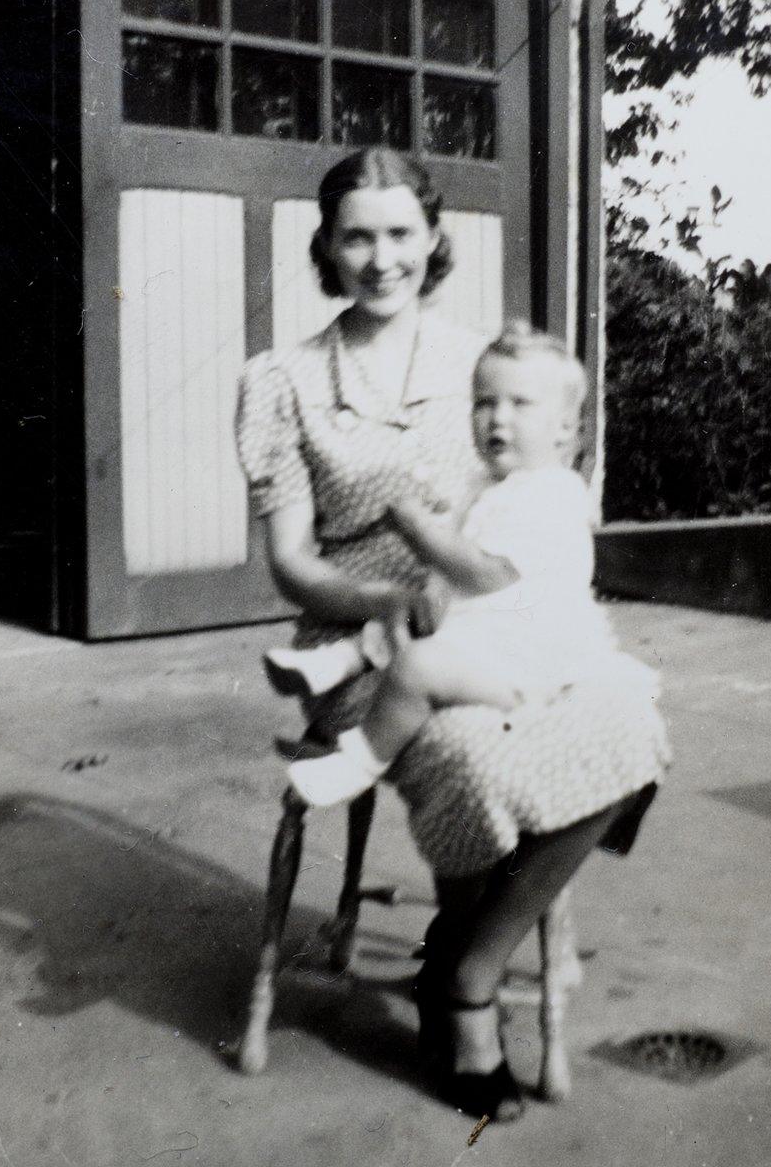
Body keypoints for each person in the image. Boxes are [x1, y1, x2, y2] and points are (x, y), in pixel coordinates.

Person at [235, 147, 669, 1123]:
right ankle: (468, 1002)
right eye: (357, 236)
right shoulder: (283, 381)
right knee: (472, 757)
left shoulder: (492, 368)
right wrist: (384, 606)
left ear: (432, 240)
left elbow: (539, 516)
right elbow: (292, 563)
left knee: (629, 726)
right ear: (327, 245)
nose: (379, 258)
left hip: (503, 621)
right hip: (374, 649)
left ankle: (462, 960)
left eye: (399, 234)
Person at [263, 322, 661, 811]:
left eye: (520, 404)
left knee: (417, 664)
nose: (498, 419)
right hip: (480, 635)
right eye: (484, 402)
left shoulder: (553, 493)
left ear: (564, 427)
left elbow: (486, 573)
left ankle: (357, 763)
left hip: (524, 667)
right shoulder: (486, 483)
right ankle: (330, 664)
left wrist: (420, 531)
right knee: (407, 615)